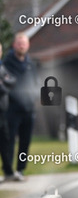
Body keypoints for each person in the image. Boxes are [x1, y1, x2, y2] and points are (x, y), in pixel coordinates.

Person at [4, 33, 38, 182]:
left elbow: (36, 83)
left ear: (28, 45)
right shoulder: (7, 63)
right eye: (19, 43)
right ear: (14, 45)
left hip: (28, 109)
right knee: (9, 140)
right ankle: (8, 171)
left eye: (24, 43)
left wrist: (34, 97)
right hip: (11, 108)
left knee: (25, 141)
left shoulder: (31, 64)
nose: (21, 46)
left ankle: (20, 170)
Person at [0, 43, 16, 183]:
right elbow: (4, 88)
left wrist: (4, 84)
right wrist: (4, 85)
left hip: (3, 112)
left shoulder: (2, 67)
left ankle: (8, 171)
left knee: (5, 141)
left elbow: (12, 81)